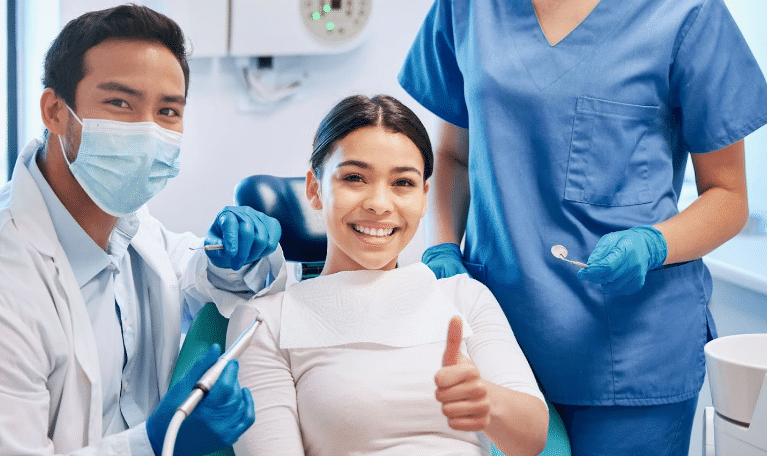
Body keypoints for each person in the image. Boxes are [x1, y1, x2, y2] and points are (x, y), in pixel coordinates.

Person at [398, 0, 767, 456]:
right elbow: (451, 155)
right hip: (495, 331)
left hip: (629, 351)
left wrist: (653, 243)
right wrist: (443, 249)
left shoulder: (689, 11)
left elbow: (728, 198)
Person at [0, 5, 288, 456]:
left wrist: (238, 259)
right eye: (119, 103)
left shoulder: (127, 225)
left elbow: (194, 278)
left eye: (168, 110)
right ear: (56, 111)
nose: (148, 131)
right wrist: (156, 443)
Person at [227, 94, 549, 456]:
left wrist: (485, 399)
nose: (380, 204)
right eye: (354, 178)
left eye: (403, 183)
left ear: (425, 196)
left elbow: (532, 439)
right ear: (315, 189)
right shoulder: (265, 322)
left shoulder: (463, 298)